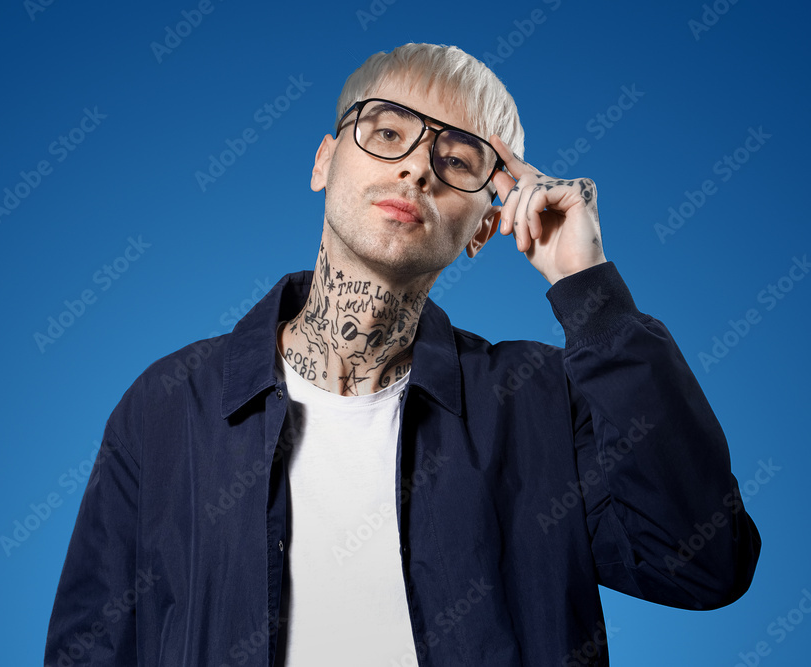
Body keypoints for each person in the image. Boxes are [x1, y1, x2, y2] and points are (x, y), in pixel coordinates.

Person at [44, 43, 760, 666]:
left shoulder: (539, 401)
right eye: (386, 131)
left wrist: (587, 286)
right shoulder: (170, 406)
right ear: (325, 162)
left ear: (485, 225)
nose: (418, 167)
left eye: (456, 159)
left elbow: (701, 564)